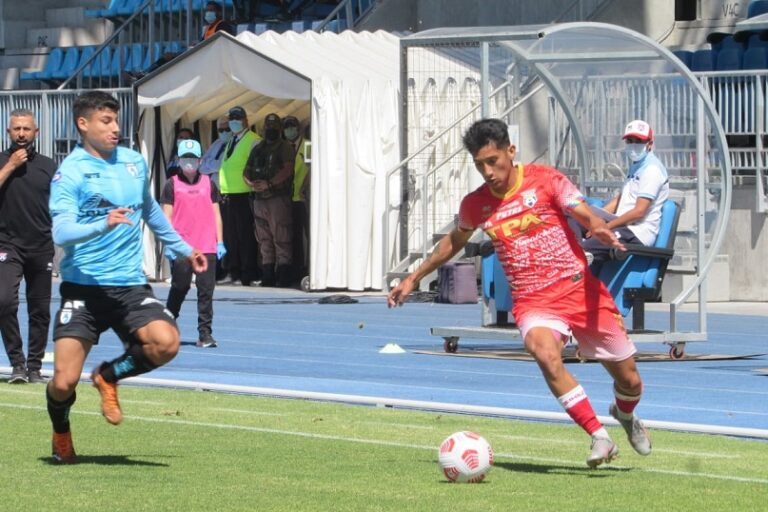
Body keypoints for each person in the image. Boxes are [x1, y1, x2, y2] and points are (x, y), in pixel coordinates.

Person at [388, 118, 652, 468]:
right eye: (480, 164)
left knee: (630, 380)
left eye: (493, 161)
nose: (488, 171)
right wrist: (414, 276)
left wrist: (599, 228)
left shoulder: (546, 180)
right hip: (533, 300)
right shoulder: (476, 204)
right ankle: (598, 435)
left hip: (578, 289)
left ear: (510, 151)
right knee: (543, 353)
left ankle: (624, 413)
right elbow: (454, 240)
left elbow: (583, 212)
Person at [46, 91, 207, 464]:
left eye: (117, 121)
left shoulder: (133, 164)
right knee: (62, 383)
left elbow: (151, 212)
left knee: (166, 342)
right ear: (83, 124)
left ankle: (108, 376)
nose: (115, 128)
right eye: (106, 121)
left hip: (129, 285)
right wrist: (102, 223)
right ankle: (61, 433)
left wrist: (184, 248)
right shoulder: (69, 172)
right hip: (82, 290)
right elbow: (62, 233)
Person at [0, 109, 57, 384]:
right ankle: (16, 363)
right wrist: (10, 165)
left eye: (26, 129)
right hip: (7, 245)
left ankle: (33, 367)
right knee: (4, 302)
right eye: (16, 129)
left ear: (36, 133)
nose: (21, 134)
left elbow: (63, 201)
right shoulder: (2, 161)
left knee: (40, 310)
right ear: (8, 132)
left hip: (41, 245)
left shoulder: (49, 165)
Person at [582, 119, 669, 276]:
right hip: (622, 225)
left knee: (590, 244)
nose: (633, 145)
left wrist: (606, 227)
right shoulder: (637, 165)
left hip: (637, 231)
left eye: (639, 141)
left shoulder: (652, 170)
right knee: (576, 218)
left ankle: (584, 256)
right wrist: (593, 219)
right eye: (630, 141)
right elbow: (620, 199)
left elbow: (638, 212)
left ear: (650, 144)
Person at [161, 139, 226, 348]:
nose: (189, 162)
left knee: (206, 291)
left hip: (206, 246)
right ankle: (166, 326)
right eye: (185, 158)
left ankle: (205, 334)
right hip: (182, 247)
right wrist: (169, 245)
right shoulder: (171, 184)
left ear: (199, 160)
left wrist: (220, 242)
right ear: (179, 160)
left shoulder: (209, 183)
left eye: (192, 158)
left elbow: (217, 214)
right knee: (179, 287)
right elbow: (166, 217)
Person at [243, 113, 294, 287]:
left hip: (277, 198)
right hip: (259, 198)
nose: (270, 129)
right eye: (268, 126)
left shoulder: (285, 147)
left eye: (274, 126)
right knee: (263, 239)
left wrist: (269, 184)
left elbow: (287, 169)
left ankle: (284, 274)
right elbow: (246, 171)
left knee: (281, 236)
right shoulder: (258, 148)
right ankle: (268, 275)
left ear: (279, 129)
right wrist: (251, 183)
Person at [218, 106, 261, 286]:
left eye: (237, 118)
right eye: (232, 118)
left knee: (245, 237)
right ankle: (232, 270)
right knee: (230, 236)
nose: (234, 121)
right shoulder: (232, 140)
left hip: (244, 194)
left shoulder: (253, 140)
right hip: (228, 194)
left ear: (246, 120)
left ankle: (247, 273)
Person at [284, 116, 309, 283]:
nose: (289, 129)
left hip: (302, 197)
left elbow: (311, 168)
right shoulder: (283, 146)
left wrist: (304, 187)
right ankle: (295, 268)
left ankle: (308, 267)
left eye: (292, 126)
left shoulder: (307, 145)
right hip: (286, 197)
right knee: (292, 235)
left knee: (306, 233)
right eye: (286, 126)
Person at [199, 116, 231, 188]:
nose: (224, 132)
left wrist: (208, 162)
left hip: (228, 188)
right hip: (213, 189)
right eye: (221, 130)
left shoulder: (236, 144)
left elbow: (222, 166)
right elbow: (201, 167)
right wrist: (214, 166)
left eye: (227, 129)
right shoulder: (217, 143)